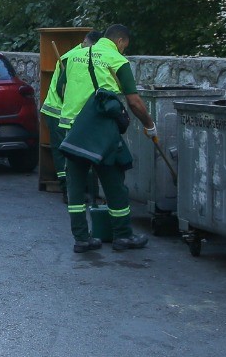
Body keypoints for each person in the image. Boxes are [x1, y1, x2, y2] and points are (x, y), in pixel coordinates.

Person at [57, 25, 154, 252]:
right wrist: (150, 125)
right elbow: (134, 101)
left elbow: (61, 89)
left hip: (73, 130)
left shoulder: (72, 56)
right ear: (120, 41)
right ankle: (122, 235)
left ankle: (82, 238)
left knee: (76, 187)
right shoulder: (116, 59)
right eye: (124, 46)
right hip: (102, 131)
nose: (123, 50)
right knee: (114, 182)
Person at [40, 30, 102, 188]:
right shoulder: (71, 57)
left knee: (72, 149)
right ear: (86, 42)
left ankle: (77, 185)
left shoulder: (79, 56)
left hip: (66, 111)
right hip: (57, 110)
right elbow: (63, 89)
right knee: (62, 150)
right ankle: (65, 185)